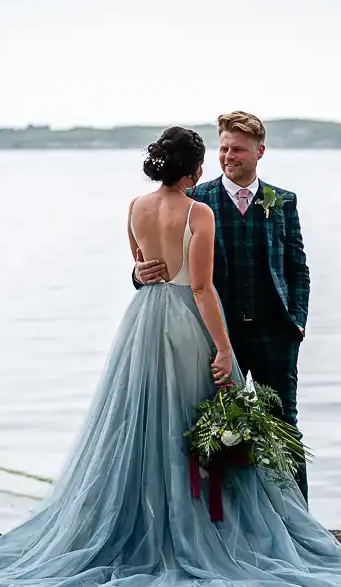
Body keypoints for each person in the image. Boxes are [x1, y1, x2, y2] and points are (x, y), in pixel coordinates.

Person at [0, 127, 341, 587]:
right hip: (185, 322)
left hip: (142, 323)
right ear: (196, 168)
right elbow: (199, 287)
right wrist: (223, 349)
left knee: (141, 424)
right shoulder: (199, 211)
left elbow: (142, 264)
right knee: (192, 423)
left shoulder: (135, 206)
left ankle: (143, 526)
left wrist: (141, 270)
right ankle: (207, 531)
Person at [133, 111, 311, 501]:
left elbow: (298, 267)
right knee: (214, 431)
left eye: (239, 149)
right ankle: (225, 526)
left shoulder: (281, 201)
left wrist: (296, 324)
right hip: (211, 337)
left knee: (285, 428)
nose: (229, 156)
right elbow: (164, 265)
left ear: (260, 151)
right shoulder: (196, 199)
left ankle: (299, 524)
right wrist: (138, 275)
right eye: (224, 148)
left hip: (274, 335)